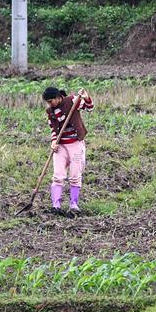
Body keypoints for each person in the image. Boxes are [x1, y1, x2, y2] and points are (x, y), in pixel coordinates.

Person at [43, 87, 94, 216]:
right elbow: (53, 129)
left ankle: (74, 205)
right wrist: (53, 142)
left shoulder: (72, 100)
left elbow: (89, 107)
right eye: (47, 102)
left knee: (75, 175)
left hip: (75, 145)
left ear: (57, 97)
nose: (50, 104)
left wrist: (86, 97)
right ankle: (56, 206)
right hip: (60, 147)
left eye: (51, 101)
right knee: (57, 175)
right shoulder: (50, 111)